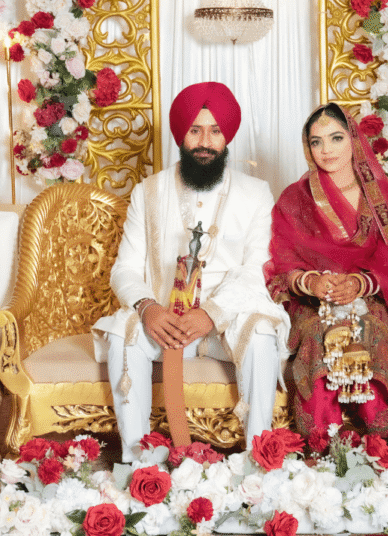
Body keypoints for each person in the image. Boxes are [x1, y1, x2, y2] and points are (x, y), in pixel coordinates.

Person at [94, 82, 290, 462]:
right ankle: (141, 464)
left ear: (227, 137)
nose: (205, 142)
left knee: (262, 332)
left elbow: (257, 270)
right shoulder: (148, 192)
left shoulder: (255, 192)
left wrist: (211, 314)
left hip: (227, 321)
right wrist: (149, 308)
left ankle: (259, 461)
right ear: (180, 135)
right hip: (165, 320)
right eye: (195, 130)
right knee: (123, 333)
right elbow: (125, 268)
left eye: (215, 131)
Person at [266, 103, 388, 438]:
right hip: (313, 301)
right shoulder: (295, 198)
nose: (327, 149)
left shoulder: (378, 197)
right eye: (316, 142)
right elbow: (282, 261)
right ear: (307, 148)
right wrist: (311, 282)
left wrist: (360, 284)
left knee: (368, 329)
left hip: (372, 296)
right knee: (320, 334)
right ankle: (321, 439)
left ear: (354, 140)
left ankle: (382, 438)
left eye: (336, 137)